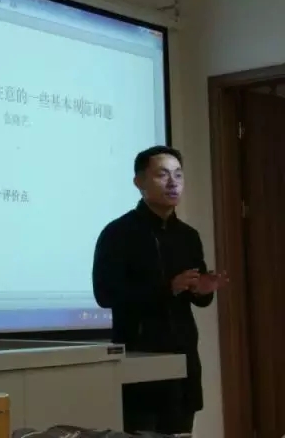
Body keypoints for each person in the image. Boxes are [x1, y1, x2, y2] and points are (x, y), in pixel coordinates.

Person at [92, 145, 227, 434]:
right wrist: (168, 288)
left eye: (178, 175)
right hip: (140, 361)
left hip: (183, 361)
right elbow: (105, 294)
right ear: (139, 182)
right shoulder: (118, 233)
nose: (172, 182)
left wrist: (202, 290)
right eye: (162, 174)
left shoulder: (188, 236)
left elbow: (196, 299)